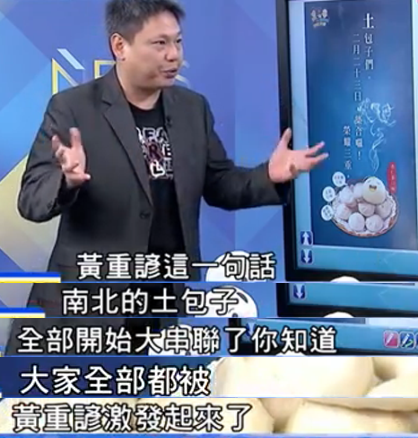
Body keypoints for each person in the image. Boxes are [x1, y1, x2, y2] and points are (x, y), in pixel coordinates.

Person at [5, 0, 328, 355]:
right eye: (160, 43)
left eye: (178, 41)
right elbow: (31, 200)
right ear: (120, 46)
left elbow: (221, 185)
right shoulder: (73, 108)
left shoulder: (192, 109)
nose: (174, 55)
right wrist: (66, 180)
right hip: (84, 311)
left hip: (158, 310)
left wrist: (269, 174)